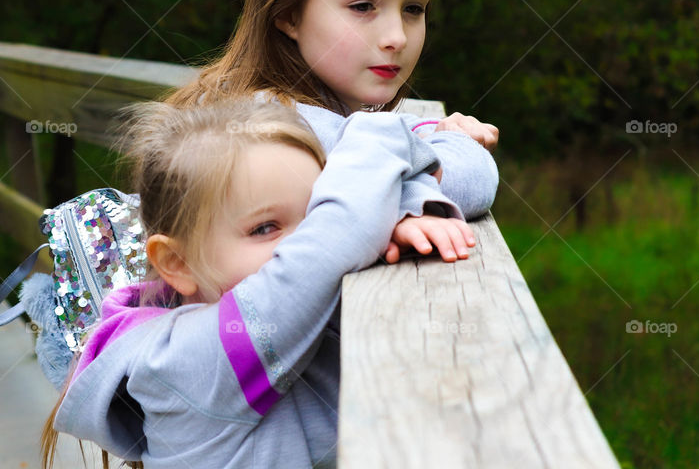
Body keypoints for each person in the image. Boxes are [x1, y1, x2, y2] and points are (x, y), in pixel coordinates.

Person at [40, 97, 473, 469]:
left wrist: (406, 206)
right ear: (177, 262)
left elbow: (470, 185)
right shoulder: (193, 355)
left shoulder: (246, 312)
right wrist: (376, 134)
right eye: (265, 228)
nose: (305, 238)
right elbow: (336, 239)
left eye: (316, 209)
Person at [165, 0, 499, 263]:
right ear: (290, 15)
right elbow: (473, 179)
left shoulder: (265, 104)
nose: (397, 37)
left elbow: (382, 142)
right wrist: (456, 145)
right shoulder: (280, 129)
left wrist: (430, 135)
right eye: (363, 7)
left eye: (413, 8)